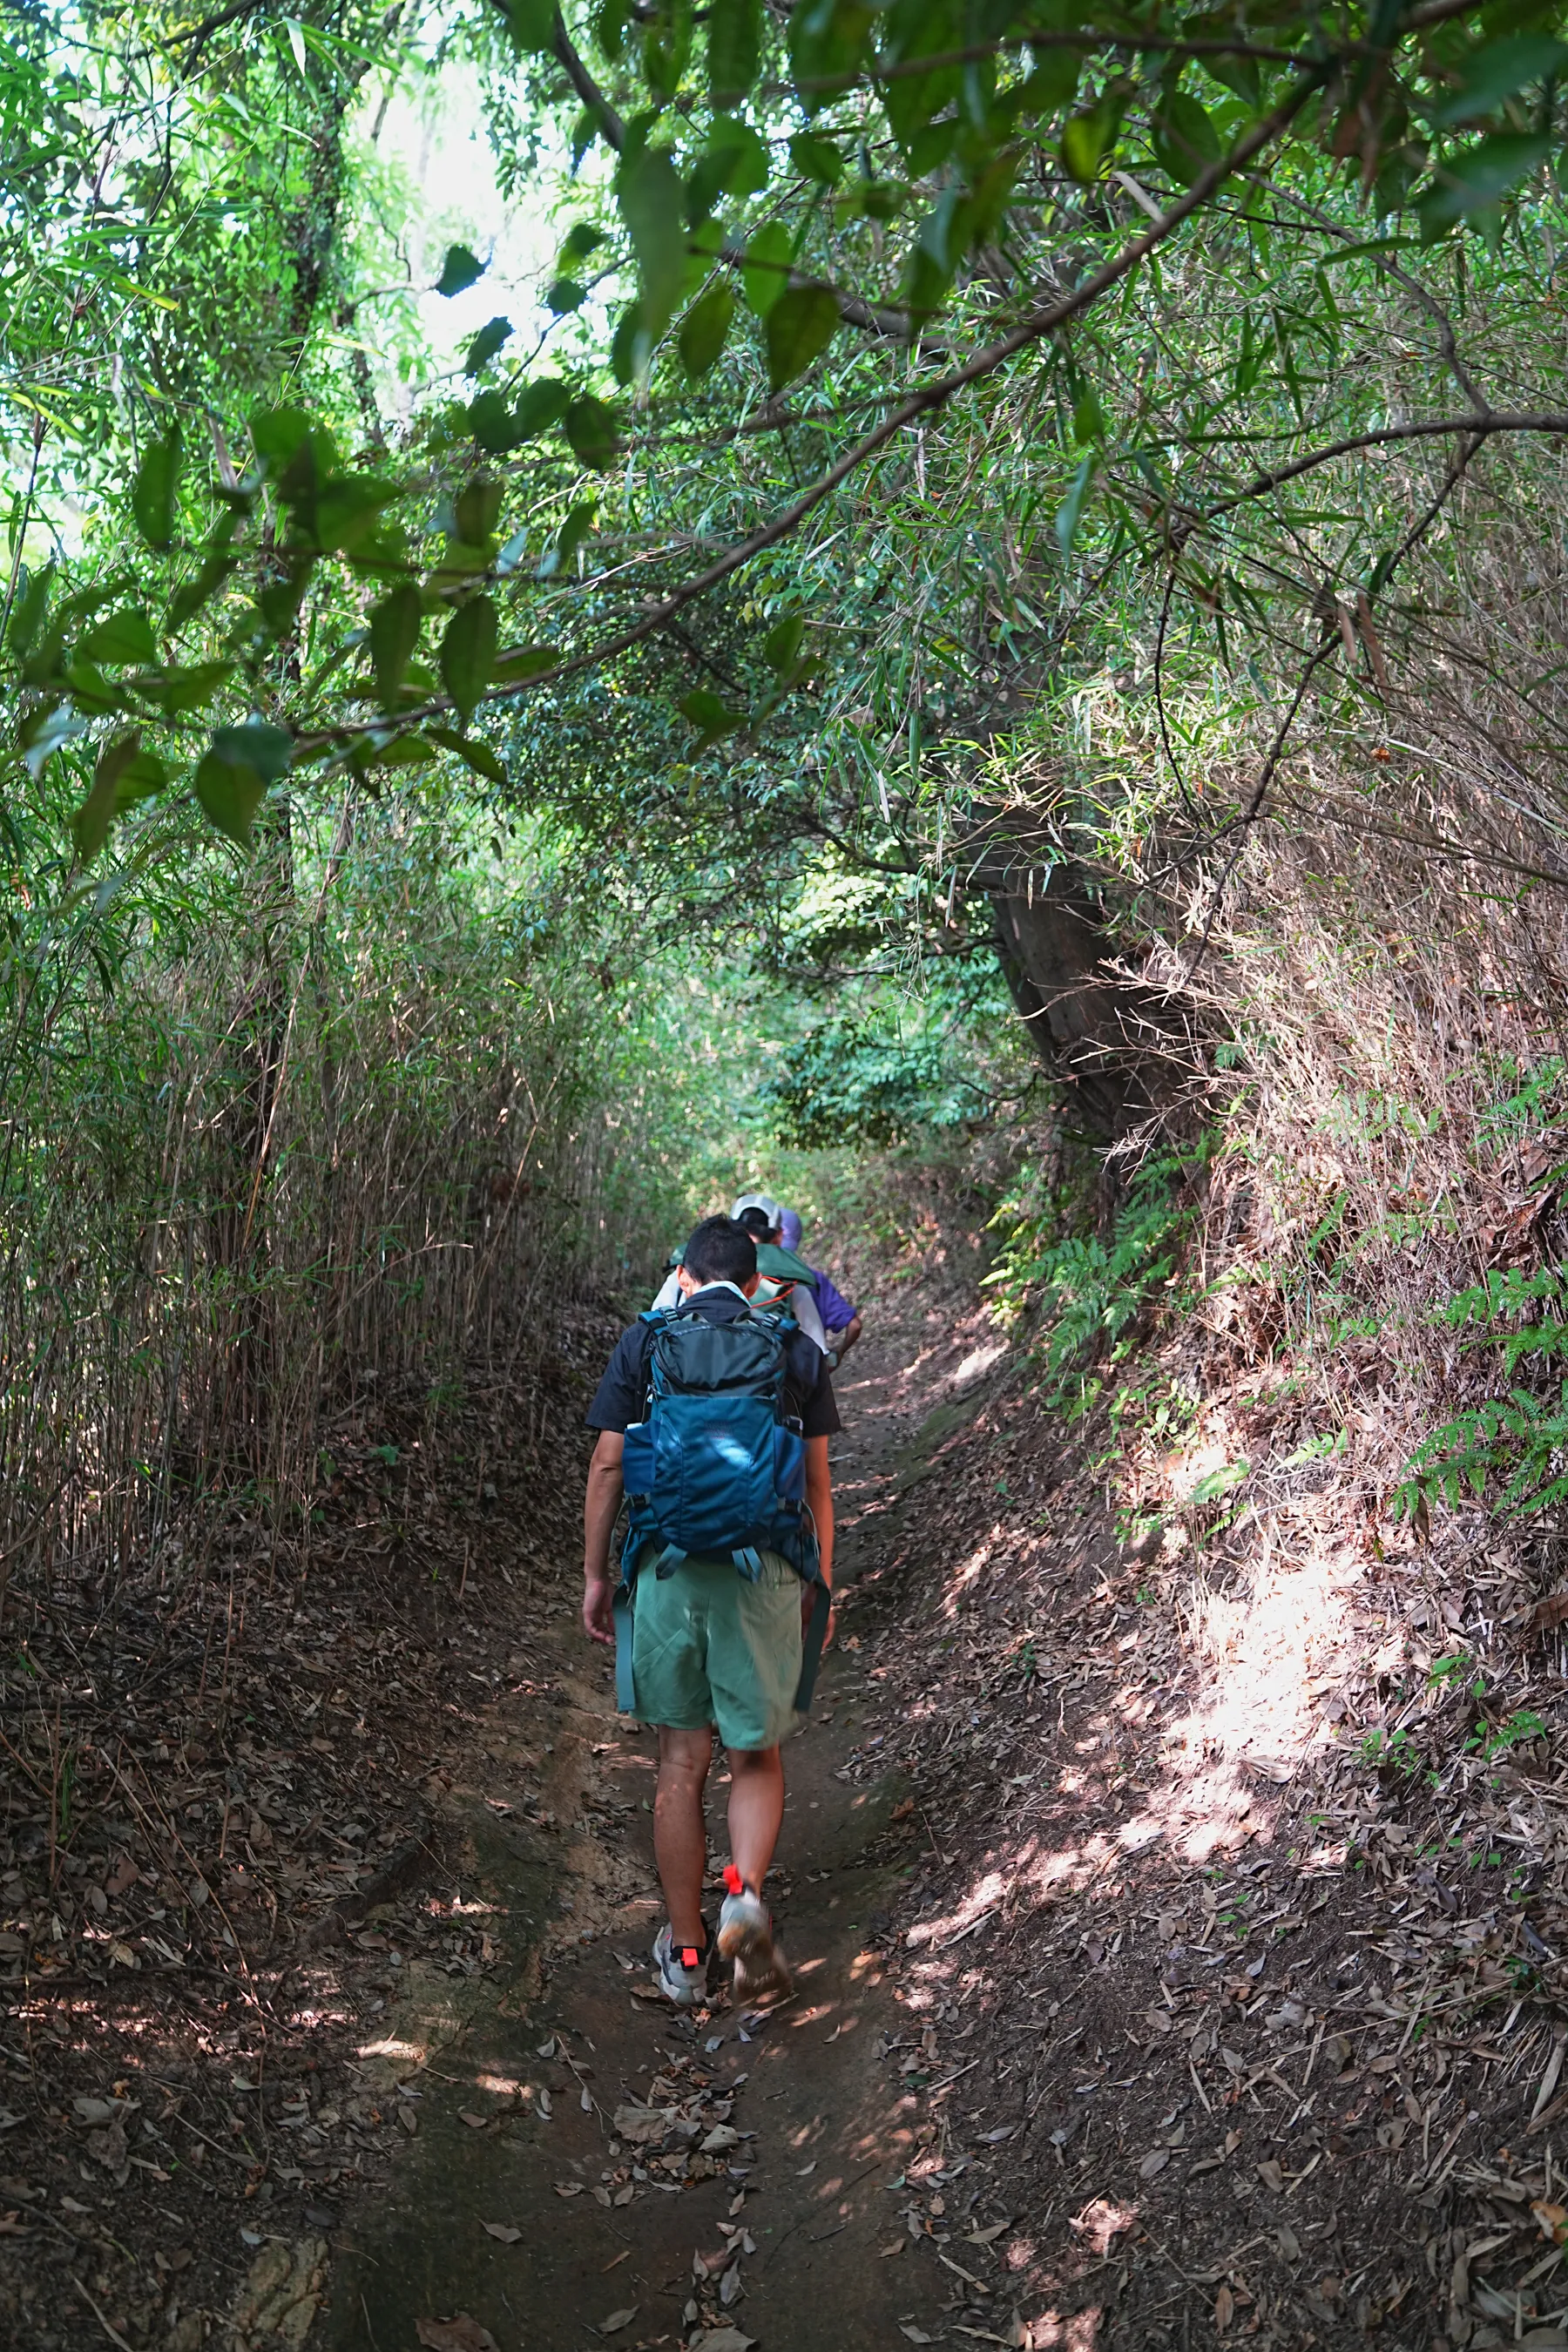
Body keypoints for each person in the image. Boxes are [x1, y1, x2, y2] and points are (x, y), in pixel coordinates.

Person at [582, 1214, 838, 2008]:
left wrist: (596, 1576)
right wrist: (818, 1584)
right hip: (763, 1575)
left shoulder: (645, 1343)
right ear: (758, 1281)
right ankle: (744, 1895)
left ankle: (688, 1957)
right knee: (755, 1757)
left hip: (667, 1571)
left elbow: (608, 1465)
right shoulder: (794, 1350)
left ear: (685, 1276)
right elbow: (819, 1486)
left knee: (681, 1764)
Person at [647, 1193, 831, 1353]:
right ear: (778, 1235)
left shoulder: (685, 1274)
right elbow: (817, 1349)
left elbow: (653, 1333)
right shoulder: (787, 1282)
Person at [778, 1207, 864, 1363]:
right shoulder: (813, 1279)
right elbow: (855, 1325)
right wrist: (839, 1354)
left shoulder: (747, 1280)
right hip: (809, 1368)